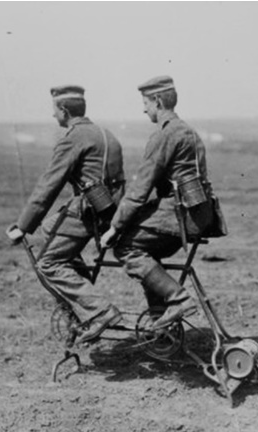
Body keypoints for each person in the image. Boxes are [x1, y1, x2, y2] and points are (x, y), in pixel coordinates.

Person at [101, 75, 225, 330]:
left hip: (181, 216)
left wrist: (115, 227)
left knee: (125, 247)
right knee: (149, 249)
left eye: (145, 103)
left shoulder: (165, 135)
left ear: (157, 101)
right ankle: (160, 322)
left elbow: (140, 188)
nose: (143, 109)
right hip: (199, 215)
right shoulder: (189, 131)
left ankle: (177, 300)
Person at [7, 85, 126, 344]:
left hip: (90, 211)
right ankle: (83, 295)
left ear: (64, 110)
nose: (53, 115)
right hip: (112, 211)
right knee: (49, 227)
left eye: (54, 110)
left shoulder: (73, 138)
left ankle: (99, 311)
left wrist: (22, 226)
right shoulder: (106, 133)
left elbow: (49, 184)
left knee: (47, 264)